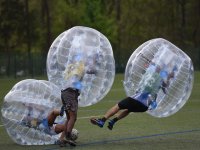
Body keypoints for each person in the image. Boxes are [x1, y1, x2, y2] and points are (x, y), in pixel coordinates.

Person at [90, 63, 175, 130]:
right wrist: (169, 78)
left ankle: (102, 120)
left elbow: (145, 69)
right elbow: (165, 89)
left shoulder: (149, 72)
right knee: (129, 110)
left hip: (137, 99)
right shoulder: (161, 79)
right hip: (144, 106)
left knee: (118, 106)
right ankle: (113, 121)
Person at [60, 51, 96, 146]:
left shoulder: (71, 66)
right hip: (71, 92)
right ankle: (68, 137)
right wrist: (94, 59)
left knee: (69, 117)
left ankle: (62, 139)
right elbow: (92, 70)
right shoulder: (80, 67)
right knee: (73, 117)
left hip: (64, 92)